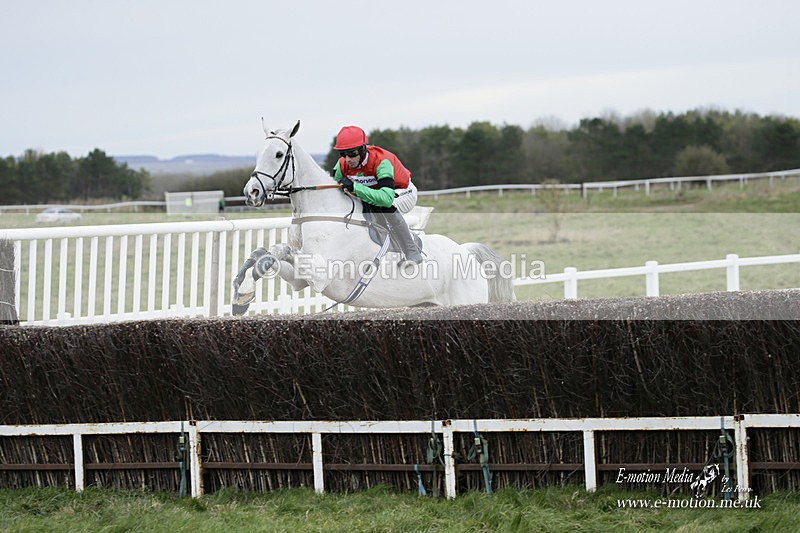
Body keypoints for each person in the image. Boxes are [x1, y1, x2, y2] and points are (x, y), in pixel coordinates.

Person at [332, 125, 423, 264]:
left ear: (363, 149)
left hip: (403, 192)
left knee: (382, 206)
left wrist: (355, 187)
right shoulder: (342, 164)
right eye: (343, 154)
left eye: (351, 153)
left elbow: (386, 199)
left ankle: (412, 252)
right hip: (377, 193)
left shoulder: (382, 161)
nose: (347, 159)